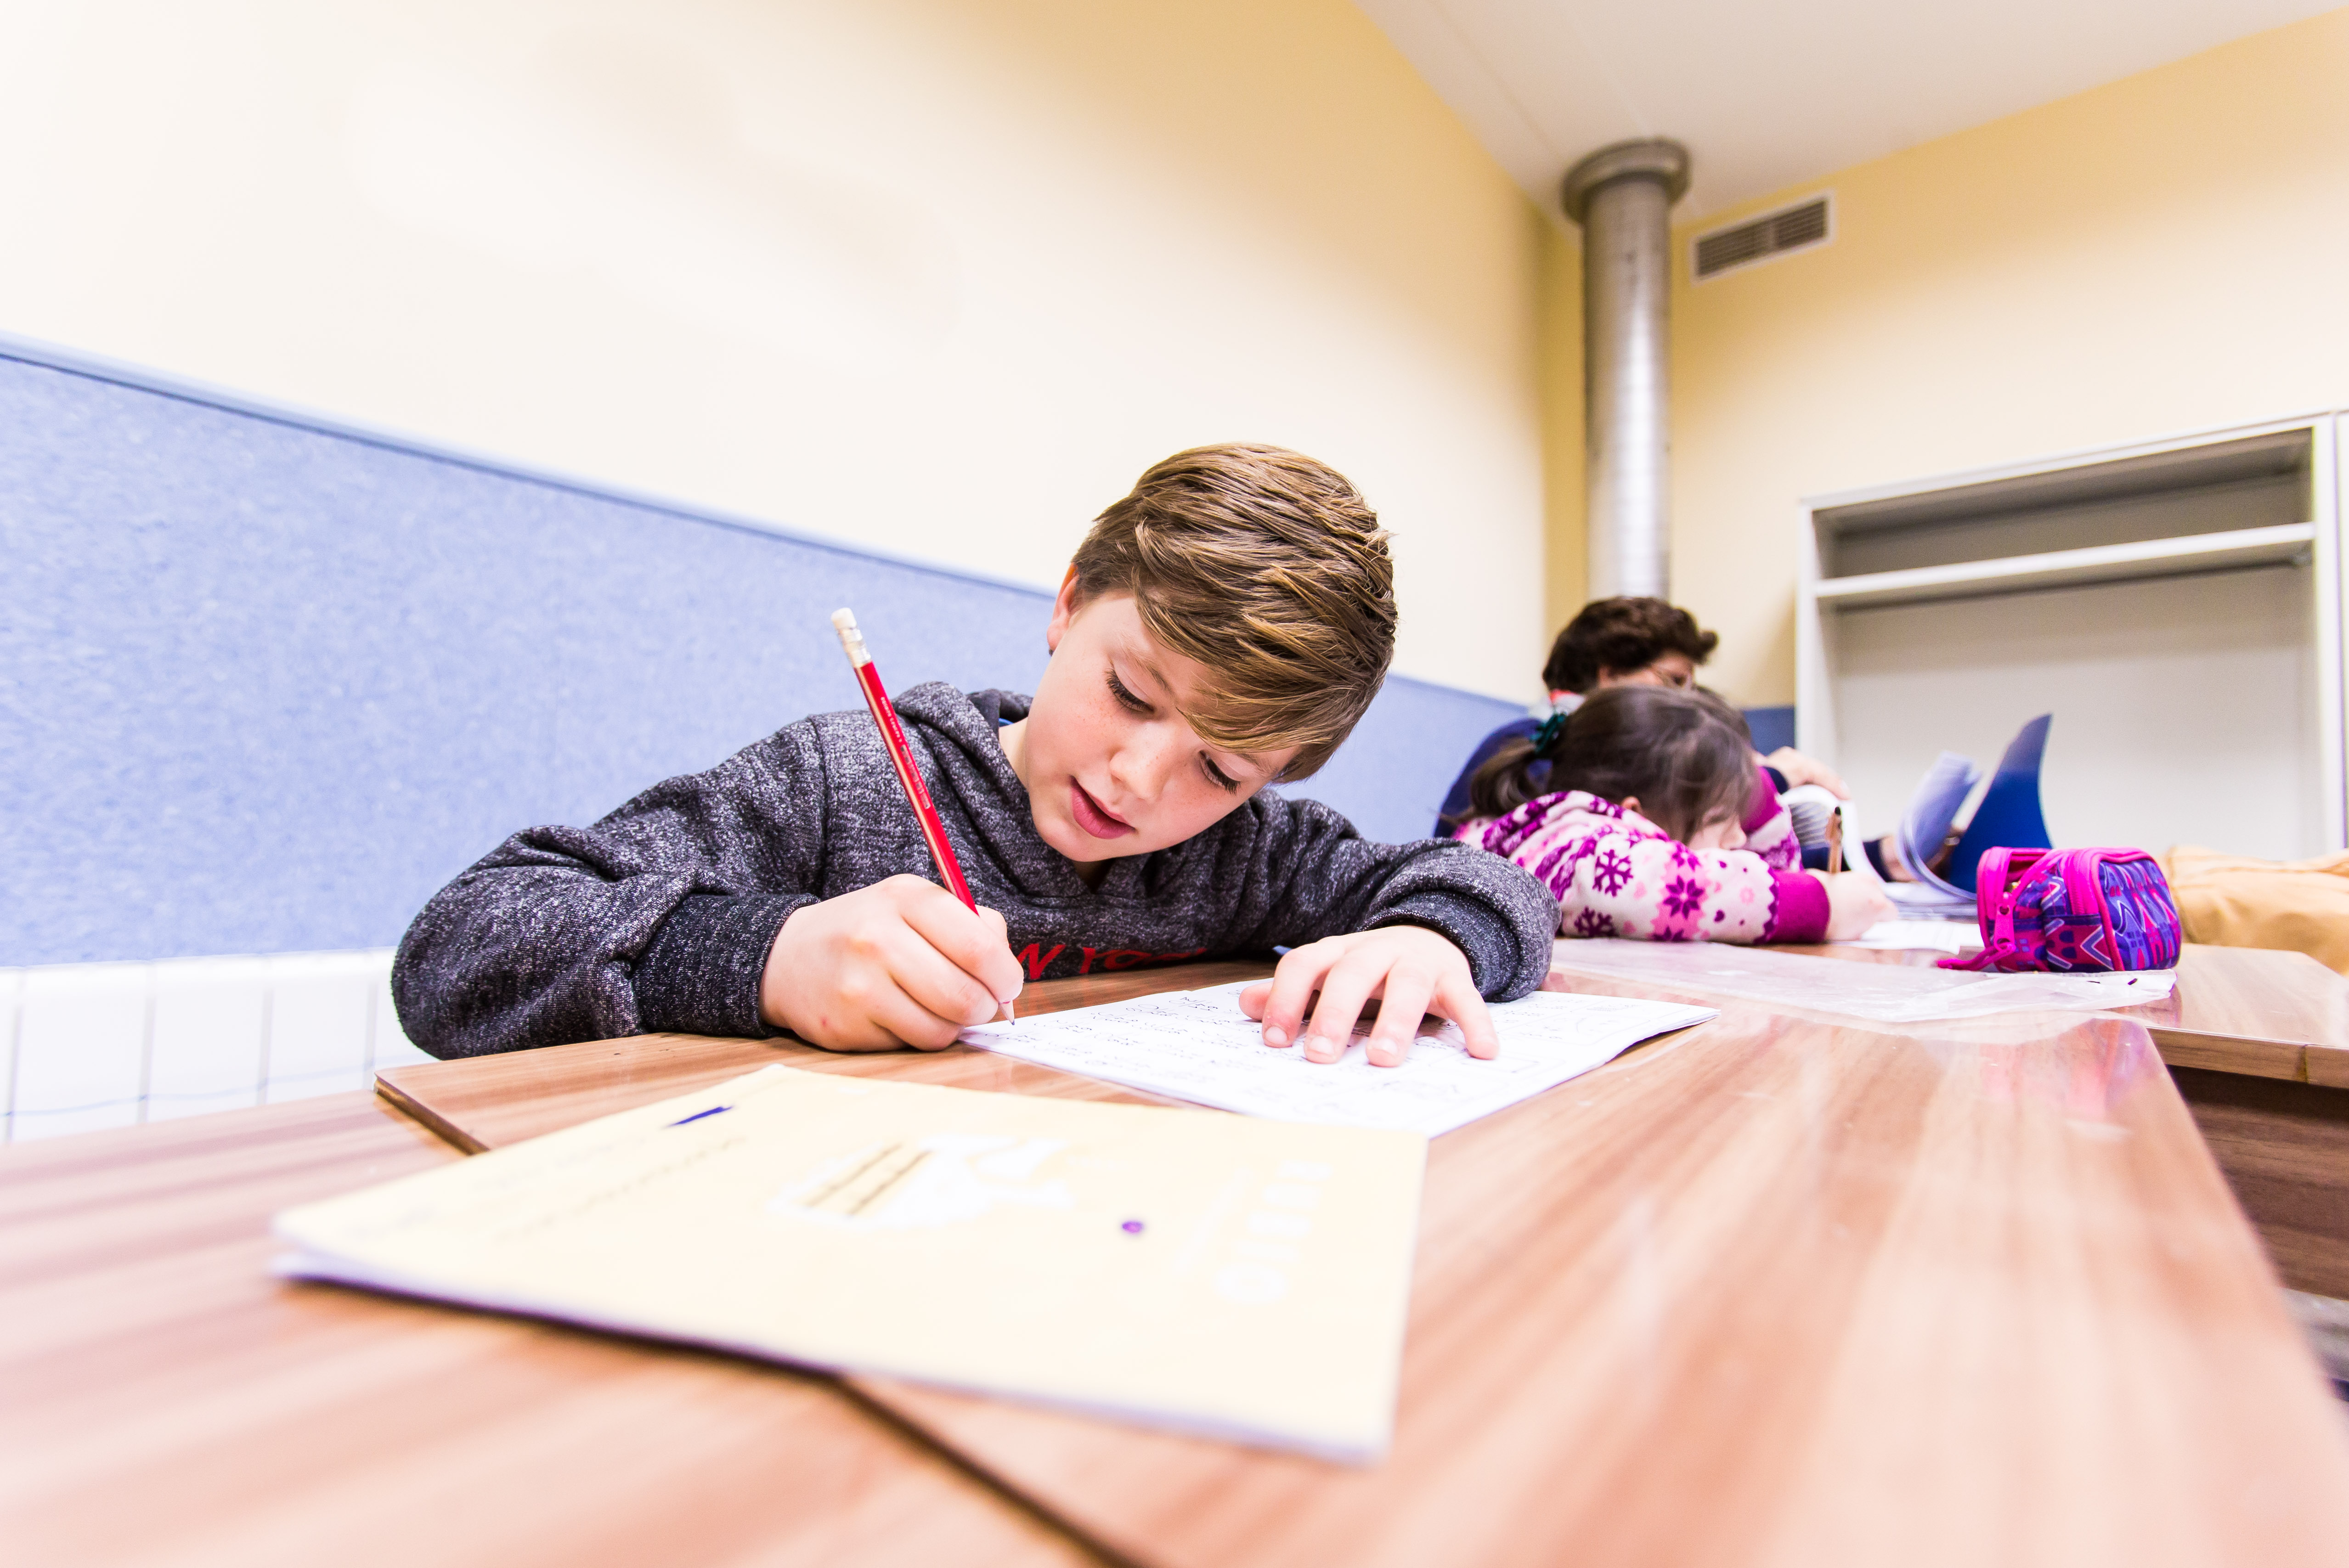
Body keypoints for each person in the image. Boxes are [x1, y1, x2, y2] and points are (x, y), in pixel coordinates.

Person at [394, 444, 1558, 1071]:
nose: (1140, 781)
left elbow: (1488, 879)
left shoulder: (1243, 855)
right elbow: (459, 946)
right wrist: (764, 954)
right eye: (1130, 691)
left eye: (1222, 767)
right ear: (1067, 603)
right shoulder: (845, 782)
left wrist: (1423, 936)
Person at [1451, 685, 1890, 944]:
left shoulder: (1548, 826)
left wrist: (1757, 792)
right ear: (1636, 815)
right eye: (1723, 819)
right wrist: (1821, 905)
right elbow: (1665, 886)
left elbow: (1776, 867)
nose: (1740, 840)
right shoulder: (1579, 842)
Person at [1433, 597, 1846, 835]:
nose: (1688, 701)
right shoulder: (1530, 743)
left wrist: (1879, 859)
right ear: (1610, 674)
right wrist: (1762, 783)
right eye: (1675, 681)